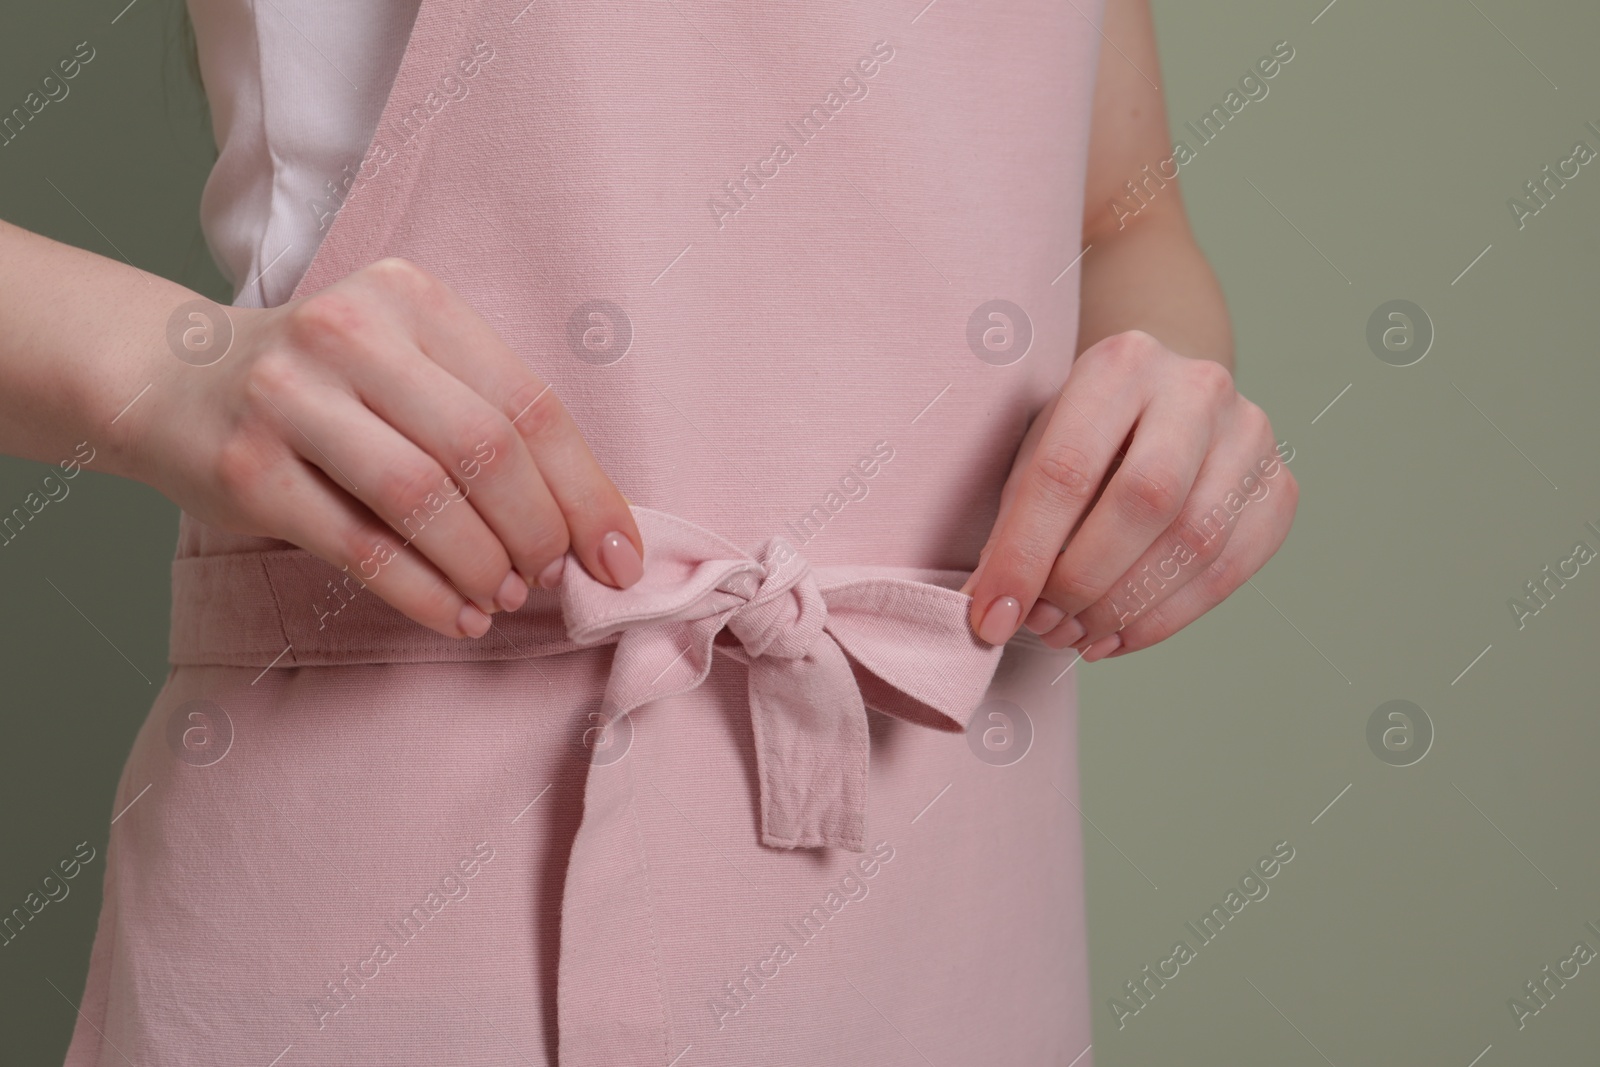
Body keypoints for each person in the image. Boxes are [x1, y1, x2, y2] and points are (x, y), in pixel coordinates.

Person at [0, 0, 1295, 1063]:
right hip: (405, 896)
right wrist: (164, 367)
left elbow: (1124, 224)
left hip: (953, 908)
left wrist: (1173, 408)